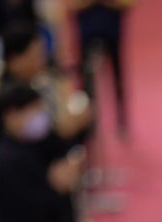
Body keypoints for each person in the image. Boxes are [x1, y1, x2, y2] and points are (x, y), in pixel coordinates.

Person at [0, 83, 82, 222]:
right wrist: (57, 187)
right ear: (11, 116)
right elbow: (32, 212)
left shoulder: (37, 140)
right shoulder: (9, 160)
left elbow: (63, 148)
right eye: (34, 110)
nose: (40, 116)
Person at [71, 0, 130, 138]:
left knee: (118, 79)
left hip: (112, 31)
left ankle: (122, 121)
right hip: (87, 34)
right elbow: (71, 5)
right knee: (86, 84)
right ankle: (88, 126)